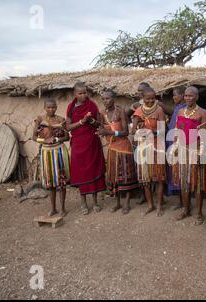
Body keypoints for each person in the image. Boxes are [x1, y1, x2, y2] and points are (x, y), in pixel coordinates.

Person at [65, 82, 106, 215]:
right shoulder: (71, 107)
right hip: (78, 144)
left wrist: (91, 121)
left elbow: (99, 124)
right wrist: (82, 121)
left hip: (91, 143)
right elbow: (68, 127)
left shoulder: (92, 105)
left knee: (93, 171)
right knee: (80, 173)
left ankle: (95, 202)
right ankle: (83, 203)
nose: (83, 95)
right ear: (75, 94)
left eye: (85, 93)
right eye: (80, 93)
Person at [171, 86, 206, 225]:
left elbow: (205, 136)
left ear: (197, 97)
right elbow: (177, 130)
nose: (188, 98)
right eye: (186, 95)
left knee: (197, 183)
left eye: (191, 96)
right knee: (184, 182)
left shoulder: (202, 112)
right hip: (182, 150)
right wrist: (175, 147)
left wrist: (201, 154)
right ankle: (186, 210)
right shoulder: (180, 111)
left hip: (196, 150)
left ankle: (199, 213)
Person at [97, 90, 139, 214]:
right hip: (112, 148)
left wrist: (109, 132)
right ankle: (117, 203)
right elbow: (100, 128)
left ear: (113, 99)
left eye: (108, 98)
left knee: (125, 176)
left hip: (124, 148)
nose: (105, 101)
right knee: (114, 176)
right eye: (103, 99)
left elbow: (126, 132)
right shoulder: (102, 113)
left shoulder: (120, 112)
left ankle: (126, 202)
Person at [131, 87, 166, 216]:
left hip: (157, 147)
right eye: (147, 98)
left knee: (159, 178)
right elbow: (133, 131)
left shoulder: (159, 110)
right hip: (143, 149)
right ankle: (150, 205)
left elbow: (163, 130)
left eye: (153, 98)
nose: (150, 100)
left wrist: (151, 132)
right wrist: (141, 131)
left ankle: (159, 206)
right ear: (143, 98)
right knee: (146, 179)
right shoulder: (138, 111)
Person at [33, 98, 70, 217]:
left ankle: (63, 208)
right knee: (50, 183)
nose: (51, 109)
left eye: (53, 107)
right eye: (48, 107)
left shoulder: (61, 120)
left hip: (59, 152)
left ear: (56, 107)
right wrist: (45, 140)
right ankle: (53, 208)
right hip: (46, 153)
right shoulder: (40, 120)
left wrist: (57, 139)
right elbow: (34, 137)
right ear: (44, 108)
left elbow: (67, 137)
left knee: (61, 182)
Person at [166, 87, 186, 208]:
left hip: (179, 145)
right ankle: (180, 201)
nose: (174, 98)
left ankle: (185, 203)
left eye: (176, 95)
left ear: (183, 95)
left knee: (181, 173)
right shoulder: (177, 108)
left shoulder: (184, 109)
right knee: (175, 173)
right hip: (172, 145)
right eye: (173, 96)